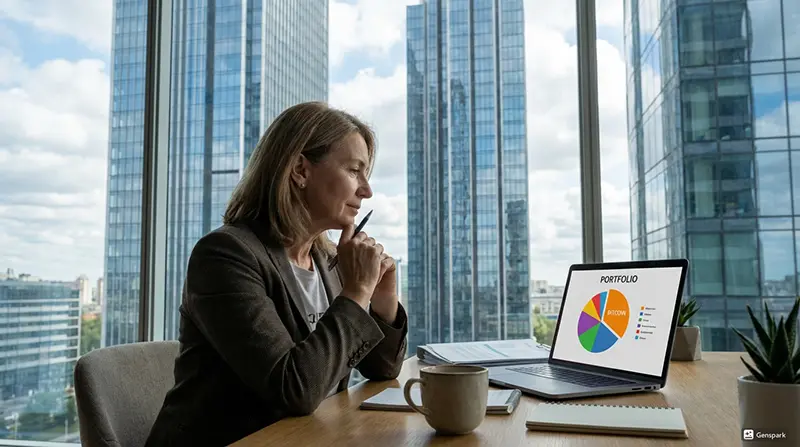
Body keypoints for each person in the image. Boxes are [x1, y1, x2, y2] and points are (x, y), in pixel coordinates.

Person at [145, 101, 408, 446]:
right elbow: (293, 390)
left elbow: (382, 369)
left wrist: (381, 300)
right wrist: (357, 290)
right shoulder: (225, 256)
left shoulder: (327, 259)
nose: (366, 190)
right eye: (354, 170)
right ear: (300, 169)